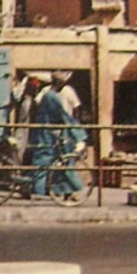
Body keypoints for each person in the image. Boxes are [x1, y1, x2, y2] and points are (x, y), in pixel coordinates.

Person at [31, 71, 86, 201]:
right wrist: (77, 131)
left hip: (54, 131)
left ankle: (65, 191)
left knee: (57, 160)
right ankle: (45, 189)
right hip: (55, 131)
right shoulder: (51, 96)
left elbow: (75, 110)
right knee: (58, 160)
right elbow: (63, 115)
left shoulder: (60, 93)